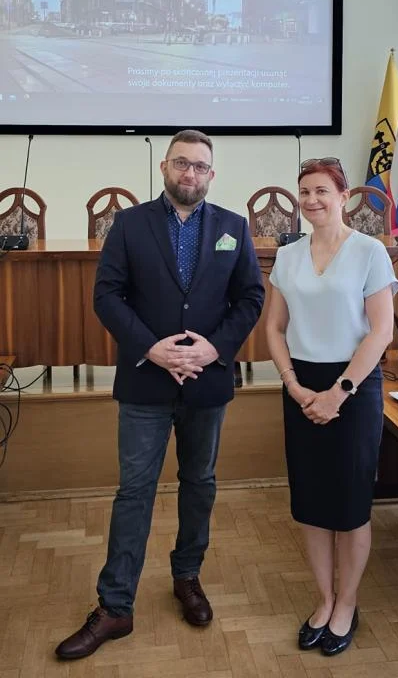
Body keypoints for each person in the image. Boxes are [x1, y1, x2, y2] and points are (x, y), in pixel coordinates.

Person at [55, 129, 264, 661]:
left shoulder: (234, 227)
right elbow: (107, 296)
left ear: (211, 174)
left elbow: (250, 297)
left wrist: (214, 349)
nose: (190, 173)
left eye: (200, 166)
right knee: (135, 492)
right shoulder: (128, 224)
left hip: (207, 382)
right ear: (165, 167)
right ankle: (115, 606)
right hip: (146, 380)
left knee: (200, 485)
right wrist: (152, 348)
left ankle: (187, 577)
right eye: (181, 163)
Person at [266, 157, 398, 658]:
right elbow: (274, 327)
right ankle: (323, 599)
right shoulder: (288, 255)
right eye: (304, 191)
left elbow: (381, 331)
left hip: (354, 387)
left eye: (322, 190)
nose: (312, 200)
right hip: (301, 387)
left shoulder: (369, 251)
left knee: (349, 505)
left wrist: (338, 392)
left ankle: (347, 602)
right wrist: (293, 384)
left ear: (343, 197)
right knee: (311, 503)